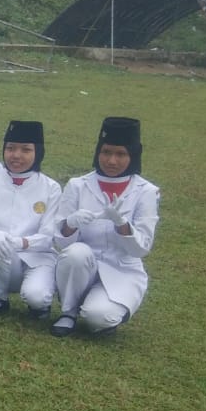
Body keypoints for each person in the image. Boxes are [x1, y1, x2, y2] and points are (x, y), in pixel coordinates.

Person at [51, 117, 159, 337]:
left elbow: (142, 249)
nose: (111, 161)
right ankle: (68, 312)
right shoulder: (78, 185)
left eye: (121, 154)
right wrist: (70, 224)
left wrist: (122, 224)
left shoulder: (146, 191)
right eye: (106, 152)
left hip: (122, 268)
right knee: (76, 253)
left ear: (133, 155)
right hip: (81, 265)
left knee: (98, 318)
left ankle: (101, 306)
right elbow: (59, 242)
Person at [0, 120, 60, 317]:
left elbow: (48, 236)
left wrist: (19, 242)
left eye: (25, 150)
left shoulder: (50, 188)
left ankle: (41, 304)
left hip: (37, 258)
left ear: (38, 153)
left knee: (36, 297)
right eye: (10, 148)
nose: (16, 155)